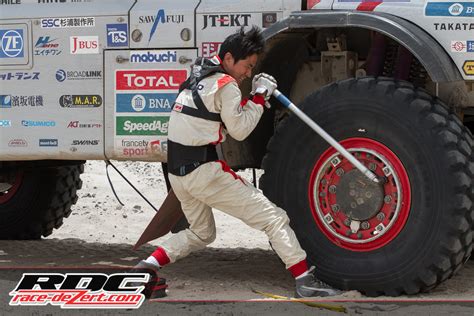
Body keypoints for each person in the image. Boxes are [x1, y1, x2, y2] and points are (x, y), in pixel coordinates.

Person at [133, 26, 341, 298]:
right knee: (274, 219)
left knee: (201, 233)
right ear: (229, 58)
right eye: (247, 65)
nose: (249, 73)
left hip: (179, 175)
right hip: (204, 173)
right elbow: (240, 130)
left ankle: (146, 266)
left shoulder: (197, 77)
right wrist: (258, 96)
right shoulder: (226, 85)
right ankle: (305, 281)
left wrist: (253, 97)